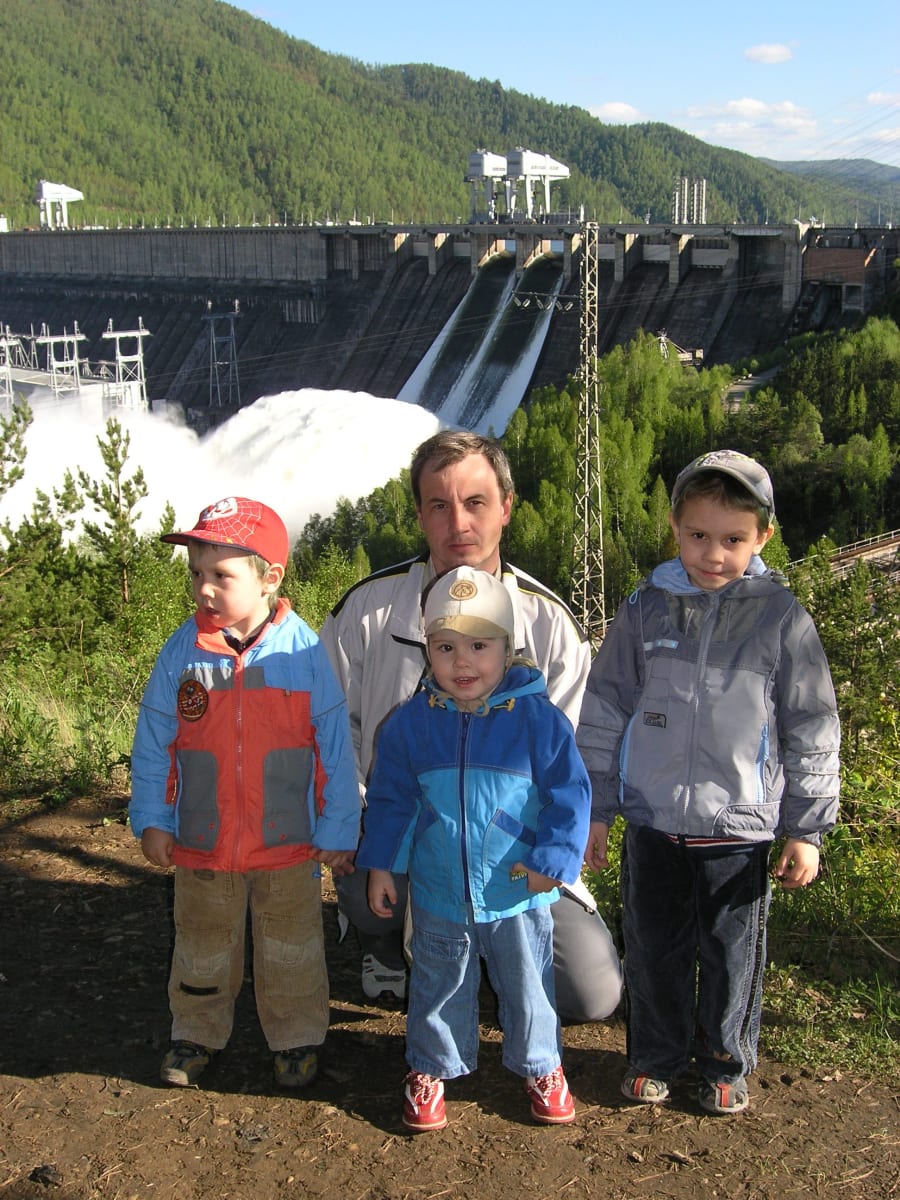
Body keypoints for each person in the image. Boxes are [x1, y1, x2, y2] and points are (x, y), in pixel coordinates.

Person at [319, 430, 622, 1022]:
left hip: (509, 848)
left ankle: (483, 954)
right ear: (419, 515)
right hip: (400, 832)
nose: (458, 523)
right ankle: (386, 946)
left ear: (506, 507)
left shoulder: (548, 623)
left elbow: (571, 768)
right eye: (439, 505)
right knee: (365, 876)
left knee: (591, 993)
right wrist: (354, 818)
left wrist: (546, 855)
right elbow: (329, 733)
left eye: (475, 502)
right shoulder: (367, 610)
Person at [577, 450, 841, 1116]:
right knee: (653, 949)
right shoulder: (646, 609)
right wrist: (597, 809)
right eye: (698, 535)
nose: (713, 554)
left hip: (739, 827)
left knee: (731, 954)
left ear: (762, 537)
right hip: (653, 822)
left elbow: (812, 726)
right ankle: (655, 1057)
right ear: (675, 527)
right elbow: (604, 710)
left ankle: (724, 1063)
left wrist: (805, 829)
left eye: (732, 539)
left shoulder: (781, 619)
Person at [129, 496, 360, 1089]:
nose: (204, 589)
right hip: (202, 840)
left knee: (292, 946)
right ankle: (195, 1032)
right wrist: (153, 817)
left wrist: (338, 827)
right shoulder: (182, 653)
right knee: (202, 943)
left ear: (269, 578)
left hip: (287, 843)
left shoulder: (303, 654)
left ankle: (297, 1038)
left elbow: (334, 749)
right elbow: (154, 742)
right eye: (196, 574)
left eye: (221, 575)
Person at [357, 566, 591, 1130]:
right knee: (438, 982)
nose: (462, 663)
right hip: (439, 890)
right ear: (427, 651)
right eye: (446, 647)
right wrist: (383, 865)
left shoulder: (539, 722)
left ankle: (542, 1064)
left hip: (516, 888)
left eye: (479, 646)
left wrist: (553, 862)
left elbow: (571, 795)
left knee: (528, 982)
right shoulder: (410, 725)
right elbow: (390, 800)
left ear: (508, 649)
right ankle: (430, 1065)